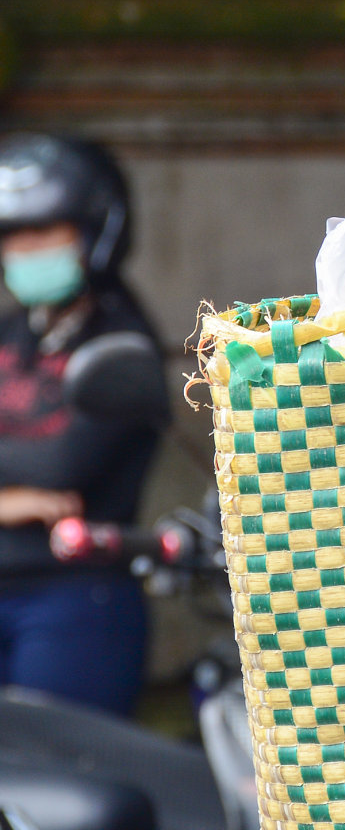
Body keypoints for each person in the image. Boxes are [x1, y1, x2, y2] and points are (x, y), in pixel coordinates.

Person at [0, 134, 167, 716]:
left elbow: (65, 464)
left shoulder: (122, 338)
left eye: (45, 233)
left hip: (74, 598)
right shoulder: (14, 332)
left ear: (95, 232)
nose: (25, 251)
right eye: (13, 238)